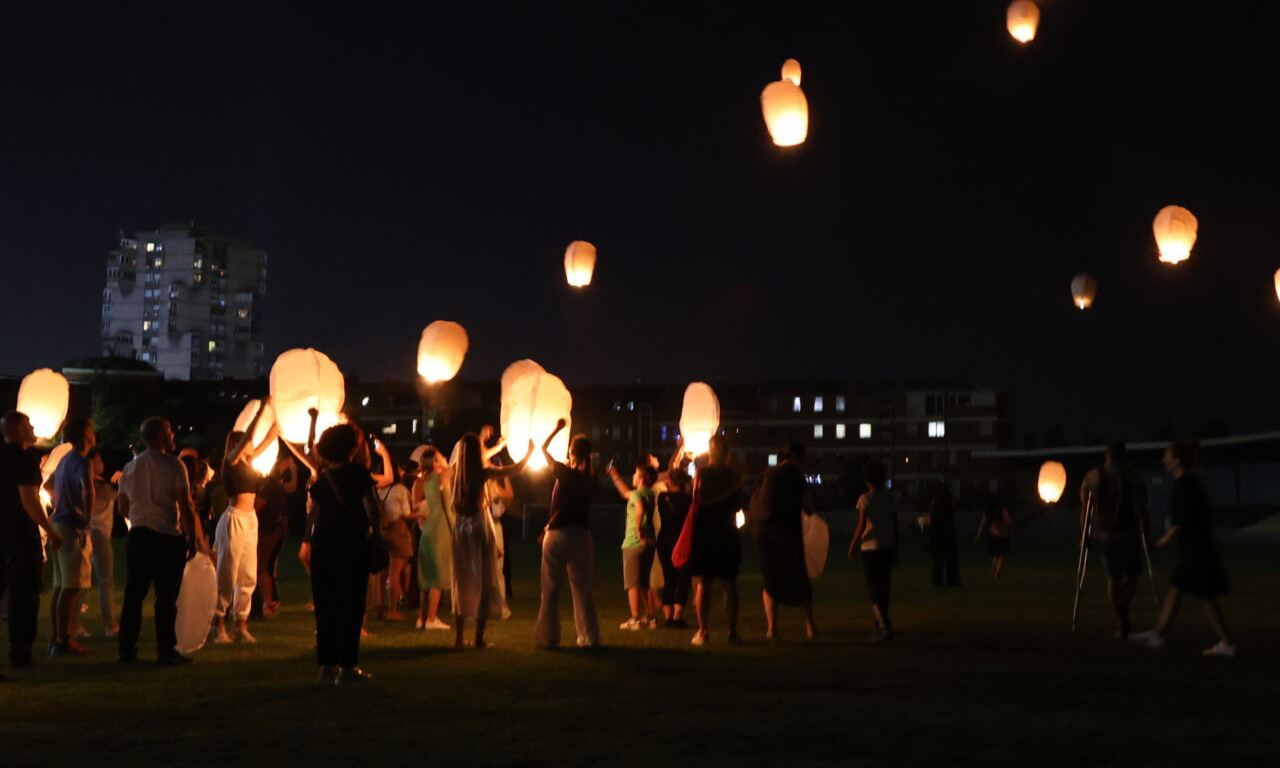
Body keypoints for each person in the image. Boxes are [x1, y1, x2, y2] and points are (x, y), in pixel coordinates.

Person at [117, 416, 211, 664]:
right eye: (170, 432)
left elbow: (122, 507)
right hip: (166, 535)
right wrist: (191, 537)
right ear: (161, 436)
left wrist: (139, 514)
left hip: (138, 535)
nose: (173, 436)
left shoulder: (130, 468)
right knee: (166, 598)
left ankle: (126, 650)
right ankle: (166, 650)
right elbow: (185, 503)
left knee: (134, 594)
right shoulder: (173, 465)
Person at [1130, 440, 1235, 657]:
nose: (1163, 460)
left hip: (1196, 551)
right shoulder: (1190, 483)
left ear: (1177, 461)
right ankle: (1160, 633)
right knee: (1176, 589)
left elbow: (1181, 523)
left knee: (1204, 595)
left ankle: (1227, 643)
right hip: (1195, 549)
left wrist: (1159, 543)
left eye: (1167, 456)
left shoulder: (1185, 485)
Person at [308, 423, 385, 684]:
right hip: (351, 545)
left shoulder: (322, 478)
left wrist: (309, 542)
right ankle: (347, 668)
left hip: (322, 547)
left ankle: (326, 668)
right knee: (351, 606)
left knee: (325, 608)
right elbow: (372, 508)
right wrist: (377, 536)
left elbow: (314, 514)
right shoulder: (358, 474)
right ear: (351, 448)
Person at [448, 432, 531, 649]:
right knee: (484, 580)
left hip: (459, 529)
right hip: (477, 527)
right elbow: (516, 469)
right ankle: (478, 639)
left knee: (463, 582)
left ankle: (458, 639)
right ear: (477, 453)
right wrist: (530, 452)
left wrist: (493, 445)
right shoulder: (482, 473)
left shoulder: (455, 473)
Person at [1, 411, 64, 678]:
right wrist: (49, 529)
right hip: (20, 536)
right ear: (17, 430)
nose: (33, 427)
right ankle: (21, 653)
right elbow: (28, 498)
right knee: (24, 595)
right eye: (28, 424)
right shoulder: (24, 459)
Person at [212, 398, 278, 644]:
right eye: (246, 443)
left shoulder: (250, 463)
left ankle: (240, 624)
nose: (252, 445)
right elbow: (249, 435)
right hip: (234, 520)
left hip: (251, 520)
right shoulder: (231, 462)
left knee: (248, 574)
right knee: (227, 572)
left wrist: (277, 411)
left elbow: (272, 436)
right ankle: (218, 624)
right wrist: (261, 409)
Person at [534, 419, 600, 649]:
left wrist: (557, 428)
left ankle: (548, 638)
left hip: (558, 536)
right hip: (581, 536)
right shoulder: (590, 479)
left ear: (572, 453)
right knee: (582, 591)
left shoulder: (564, 473)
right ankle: (588, 637)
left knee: (551, 590)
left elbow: (543, 449)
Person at [1079, 441, 1150, 638]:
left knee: (1114, 577)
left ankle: (1122, 616)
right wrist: (1146, 534)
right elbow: (1143, 510)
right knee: (1133, 576)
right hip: (1129, 534)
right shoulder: (1134, 478)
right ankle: (1124, 614)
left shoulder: (1092, 477)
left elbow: (1085, 510)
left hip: (1105, 535)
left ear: (1106, 454)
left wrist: (1084, 535)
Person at [752, 443, 817, 640]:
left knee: (770, 579)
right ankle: (810, 626)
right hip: (787, 532)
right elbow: (809, 508)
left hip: (762, 532)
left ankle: (772, 628)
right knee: (799, 578)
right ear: (797, 458)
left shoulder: (767, 474)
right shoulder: (796, 476)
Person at [687, 434, 744, 646]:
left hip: (705, 532)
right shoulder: (733, 475)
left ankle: (703, 631)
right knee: (730, 584)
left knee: (704, 583)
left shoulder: (702, 473)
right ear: (727, 452)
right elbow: (739, 504)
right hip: (727, 532)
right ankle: (732, 632)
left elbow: (695, 499)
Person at [46, 417, 96, 656]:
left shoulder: (65, 460)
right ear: (86, 436)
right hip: (72, 527)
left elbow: (49, 485)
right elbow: (88, 491)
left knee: (59, 585)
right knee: (71, 587)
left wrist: (59, 503)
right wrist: (87, 518)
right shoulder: (82, 462)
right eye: (91, 431)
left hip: (58, 524)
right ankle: (63, 640)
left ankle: (56, 637)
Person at [849, 461, 897, 640]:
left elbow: (861, 525)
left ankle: (884, 625)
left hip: (870, 548)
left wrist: (853, 544)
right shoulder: (890, 498)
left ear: (867, 481)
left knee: (873, 589)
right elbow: (895, 524)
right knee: (884, 589)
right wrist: (895, 547)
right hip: (887, 546)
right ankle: (880, 623)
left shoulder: (865, 499)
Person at [607, 460, 658, 630]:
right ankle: (650, 618)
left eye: (636, 474)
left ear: (642, 478)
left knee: (632, 583)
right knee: (644, 583)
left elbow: (639, 508)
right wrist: (615, 476)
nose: (633, 476)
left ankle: (635, 618)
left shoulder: (637, 496)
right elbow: (626, 493)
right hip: (649, 543)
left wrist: (637, 530)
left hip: (634, 543)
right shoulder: (649, 493)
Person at [412, 447, 453, 631]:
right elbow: (447, 504)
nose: (445, 458)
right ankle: (431, 618)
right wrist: (455, 529)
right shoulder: (443, 475)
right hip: (441, 526)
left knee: (427, 577)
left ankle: (422, 618)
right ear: (435, 463)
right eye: (440, 457)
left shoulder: (426, 480)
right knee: (438, 574)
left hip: (429, 528)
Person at [376, 459, 415, 620]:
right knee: (395, 573)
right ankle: (393, 610)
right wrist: (421, 513)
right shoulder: (400, 489)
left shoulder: (378, 489)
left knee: (382, 574)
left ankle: (380, 608)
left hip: (382, 531)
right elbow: (406, 514)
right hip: (397, 531)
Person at [654, 468, 693, 628]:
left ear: (671, 481)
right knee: (683, 579)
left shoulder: (663, 498)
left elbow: (657, 481)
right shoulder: (688, 499)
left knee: (668, 579)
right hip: (682, 542)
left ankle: (668, 616)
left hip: (664, 542)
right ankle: (677, 617)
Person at [251, 458, 290, 619]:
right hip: (270, 530)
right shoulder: (278, 488)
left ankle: (266, 603)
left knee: (260, 568)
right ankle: (266, 603)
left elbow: (255, 506)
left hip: (263, 531)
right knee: (263, 567)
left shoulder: (269, 488)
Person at [87, 448, 120, 635]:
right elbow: (115, 494)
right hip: (99, 533)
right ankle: (110, 624)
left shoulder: (92, 484)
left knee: (81, 580)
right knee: (106, 579)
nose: (103, 464)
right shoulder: (98, 486)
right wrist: (118, 481)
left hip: (89, 532)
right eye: (99, 460)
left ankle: (73, 624)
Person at [974, 488, 1012, 580]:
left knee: (995, 554)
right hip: (1003, 533)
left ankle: (995, 571)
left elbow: (983, 522)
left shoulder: (987, 511)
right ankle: (997, 574)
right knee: (1002, 555)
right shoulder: (1002, 509)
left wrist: (979, 534)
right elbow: (1009, 520)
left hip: (993, 533)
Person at [928, 484, 961, 588]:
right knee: (951, 559)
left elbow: (934, 519)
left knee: (938, 559)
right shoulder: (949, 504)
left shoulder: (936, 505)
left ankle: (937, 580)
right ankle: (953, 580)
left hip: (938, 534)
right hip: (949, 534)